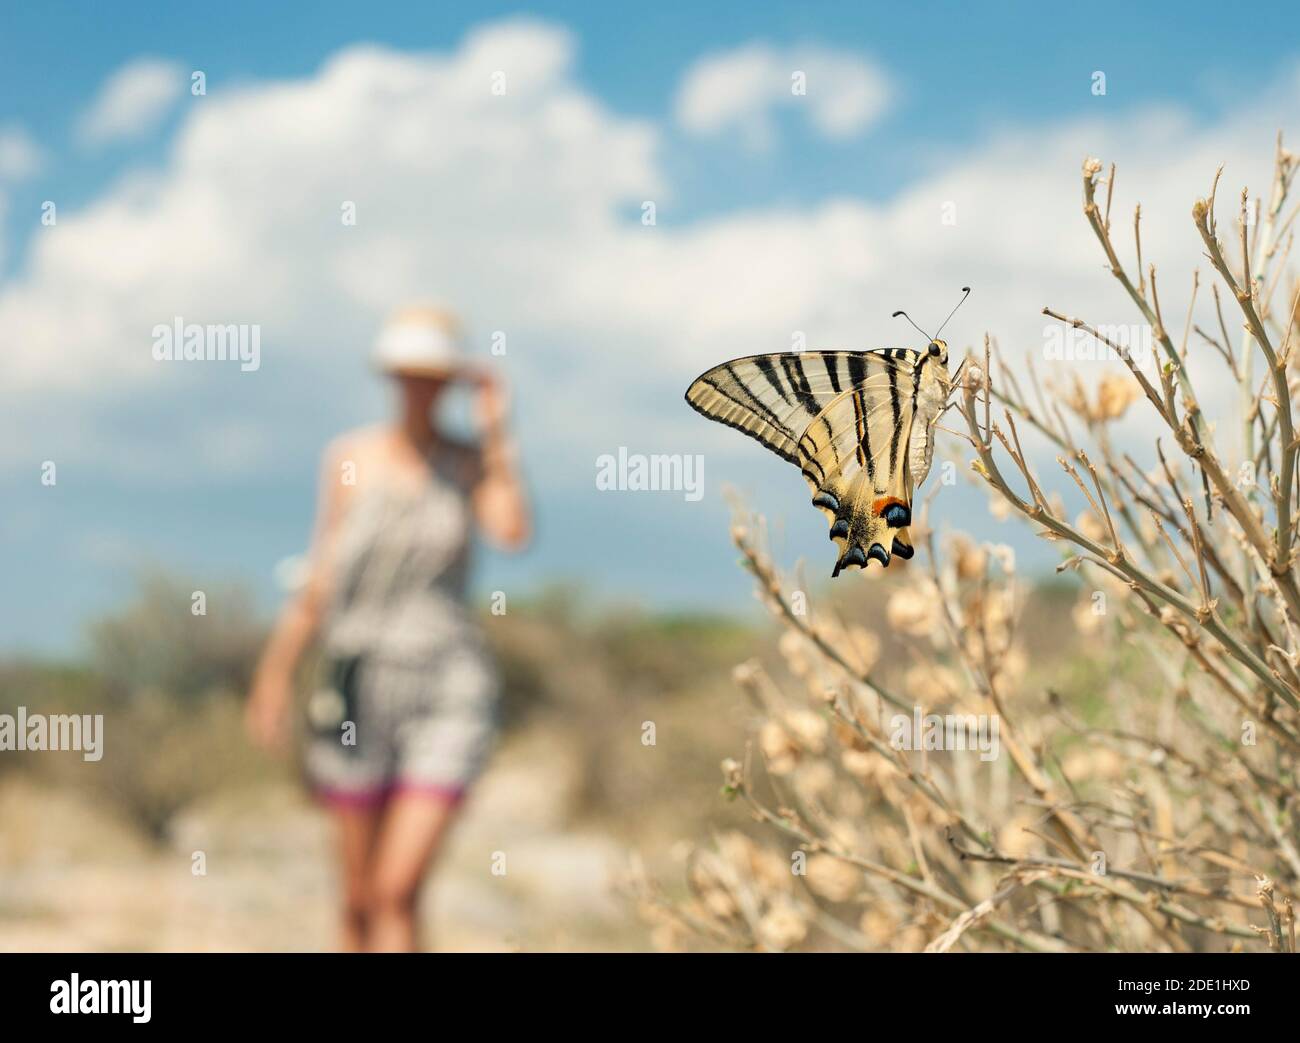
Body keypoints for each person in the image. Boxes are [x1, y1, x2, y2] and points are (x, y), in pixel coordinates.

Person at [246, 306, 530, 952]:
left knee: (397, 890)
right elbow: (320, 577)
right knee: (358, 897)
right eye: (408, 374)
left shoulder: (469, 463)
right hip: (357, 679)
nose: (418, 386)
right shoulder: (349, 458)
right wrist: (274, 676)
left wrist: (497, 431)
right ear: (392, 377)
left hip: (447, 683)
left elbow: (511, 532)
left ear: (451, 380)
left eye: (433, 375)